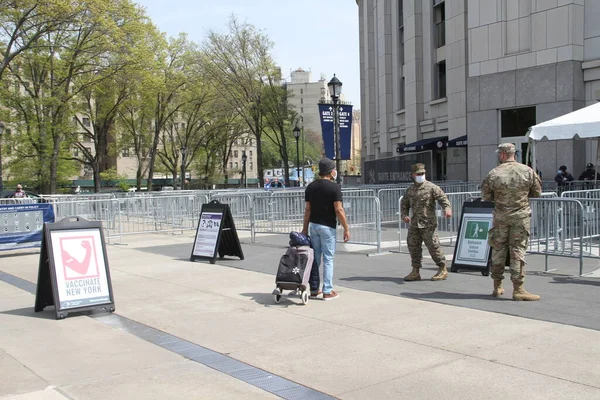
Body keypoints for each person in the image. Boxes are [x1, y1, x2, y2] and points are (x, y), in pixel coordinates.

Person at [482, 143, 542, 301]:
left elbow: (486, 196)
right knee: (517, 251)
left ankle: (497, 286)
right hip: (520, 218)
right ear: (513, 154)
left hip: (500, 218)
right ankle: (518, 289)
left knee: (498, 250)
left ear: (502, 155)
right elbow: (537, 193)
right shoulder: (527, 171)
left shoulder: (494, 173)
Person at [301, 158, 350, 300]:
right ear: (331, 172)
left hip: (314, 226)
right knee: (328, 258)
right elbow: (339, 209)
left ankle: (314, 289)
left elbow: (308, 210)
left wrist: (305, 229)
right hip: (328, 226)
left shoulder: (310, 187)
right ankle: (328, 290)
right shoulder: (334, 188)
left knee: (315, 258)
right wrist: (346, 228)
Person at [400, 163, 452, 281]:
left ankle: (442, 268)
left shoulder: (432, 187)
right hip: (415, 224)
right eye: (418, 174)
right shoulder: (410, 190)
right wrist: (404, 215)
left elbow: (443, 199)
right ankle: (415, 271)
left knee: (433, 247)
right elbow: (404, 204)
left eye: (423, 173)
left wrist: (447, 209)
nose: (421, 175)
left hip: (428, 224)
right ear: (413, 175)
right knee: (413, 247)